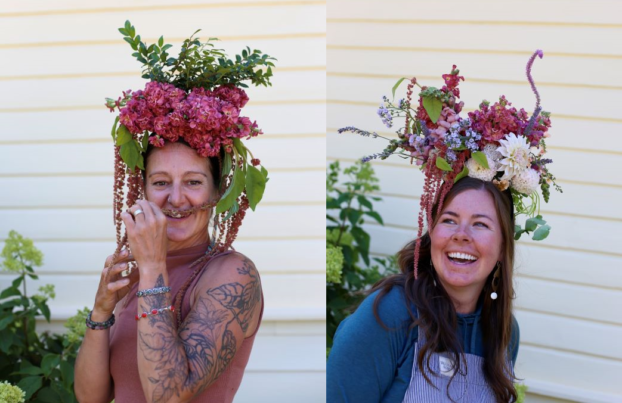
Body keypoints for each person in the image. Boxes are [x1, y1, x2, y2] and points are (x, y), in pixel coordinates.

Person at [330, 51, 561, 402]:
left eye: (481, 224)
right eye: (449, 220)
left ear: (502, 249)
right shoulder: (391, 316)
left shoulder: (503, 332)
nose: (461, 235)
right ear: (431, 233)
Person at [74, 22, 275, 403]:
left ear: (219, 190)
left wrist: (151, 269)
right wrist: (101, 312)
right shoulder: (137, 275)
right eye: (161, 182)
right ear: (142, 189)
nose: (176, 199)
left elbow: (168, 395)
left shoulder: (231, 273)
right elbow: (90, 398)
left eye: (194, 182)